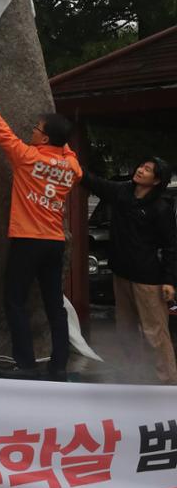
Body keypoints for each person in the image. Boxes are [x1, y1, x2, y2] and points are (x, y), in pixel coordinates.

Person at [0, 72, 82, 380]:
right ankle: (59, 364)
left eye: (36, 128)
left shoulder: (27, 158)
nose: (31, 131)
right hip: (54, 242)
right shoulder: (71, 167)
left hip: (28, 240)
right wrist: (62, 146)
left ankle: (25, 363)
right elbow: (71, 158)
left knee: (14, 300)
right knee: (54, 305)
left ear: (44, 138)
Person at [81, 158, 177, 384]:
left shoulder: (160, 208)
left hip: (148, 279)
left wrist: (169, 281)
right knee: (125, 331)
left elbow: (171, 246)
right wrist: (70, 161)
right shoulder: (123, 192)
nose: (140, 170)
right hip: (121, 274)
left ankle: (168, 383)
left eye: (147, 170)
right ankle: (134, 377)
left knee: (156, 334)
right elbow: (96, 183)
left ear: (156, 180)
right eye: (141, 166)